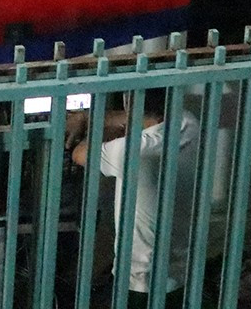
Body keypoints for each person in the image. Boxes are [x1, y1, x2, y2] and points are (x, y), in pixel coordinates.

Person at [67, 89, 200, 309]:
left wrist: (95, 131)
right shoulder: (188, 124)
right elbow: (136, 116)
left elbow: (79, 154)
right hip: (180, 272)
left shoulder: (130, 151)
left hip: (140, 281)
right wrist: (87, 117)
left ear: (129, 102)